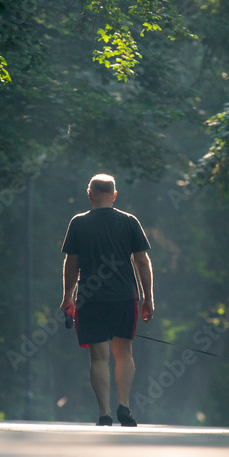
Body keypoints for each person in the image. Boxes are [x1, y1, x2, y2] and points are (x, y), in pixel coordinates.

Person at [60, 174, 154, 426]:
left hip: (90, 299)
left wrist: (68, 296)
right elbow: (142, 261)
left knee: (99, 357)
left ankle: (104, 413)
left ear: (89, 194)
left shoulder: (78, 223)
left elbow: (72, 263)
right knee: (123, 353)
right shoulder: (129, 221)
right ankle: (124, 405)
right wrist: (148, 298)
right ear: (114, 195)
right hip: (125, 297)